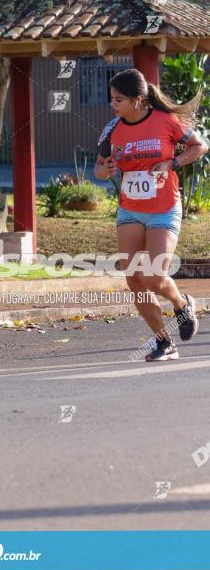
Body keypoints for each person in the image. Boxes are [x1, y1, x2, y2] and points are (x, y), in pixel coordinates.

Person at [95, 68, 208, 361]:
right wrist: (104, 170)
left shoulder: (166, 121)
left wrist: (172, 163)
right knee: (133, 278)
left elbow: (199, 146)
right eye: (111, 99)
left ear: (139, 100)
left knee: (155, 277)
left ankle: (182, 305)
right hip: (130, 210)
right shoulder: (112, 129)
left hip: (163, 208)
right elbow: (97, 167)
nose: (113, 105)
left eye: (118, 99)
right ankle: (163, 341)